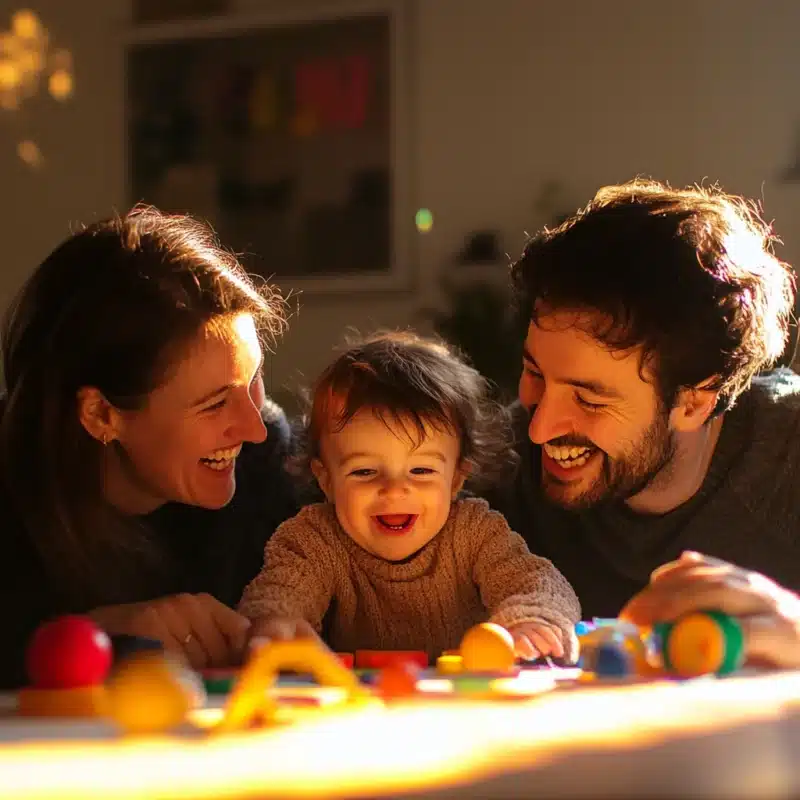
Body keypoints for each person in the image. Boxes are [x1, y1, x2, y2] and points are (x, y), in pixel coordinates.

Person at [484, 177, 800, 668]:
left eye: (589, 400)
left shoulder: (789, 455)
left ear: (694, 403)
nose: (539, 428)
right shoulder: (496, 461)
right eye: (534, 373)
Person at [0, 207, 299, 688]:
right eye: (214, 403)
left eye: (255, 379)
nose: (253, 428)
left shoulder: (272, 466)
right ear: (101, 414)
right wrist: (96, 636)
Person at [238, 332, 581, 662]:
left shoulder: (474, 533)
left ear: (456, 479)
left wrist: (531, 621)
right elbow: (279, 593)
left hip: (465, 703)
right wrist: (272, 624)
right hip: (363, 708)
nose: (395, 489)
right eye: (364, 472)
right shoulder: (317, 539)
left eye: (421, 471)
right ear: (325, 479)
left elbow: (537, 582)